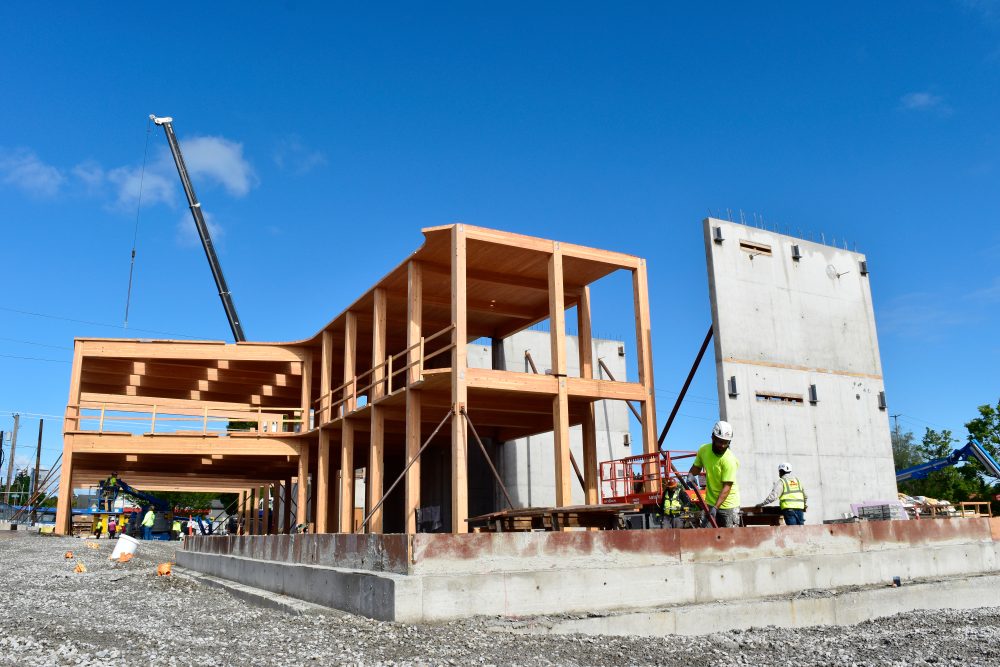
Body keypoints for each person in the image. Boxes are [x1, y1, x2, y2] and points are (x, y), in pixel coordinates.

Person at [687, 420, 741, 528]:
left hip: (729, 505)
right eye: (720, 441)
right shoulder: (704, 450)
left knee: (730, 539)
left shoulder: (729, 460)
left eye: (726, 442)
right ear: (713, 437)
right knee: (707, 536)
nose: (722, 445)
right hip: (710, 502)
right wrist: (691, 475)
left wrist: (716, 507)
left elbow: (727, 487)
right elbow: (696, 467)